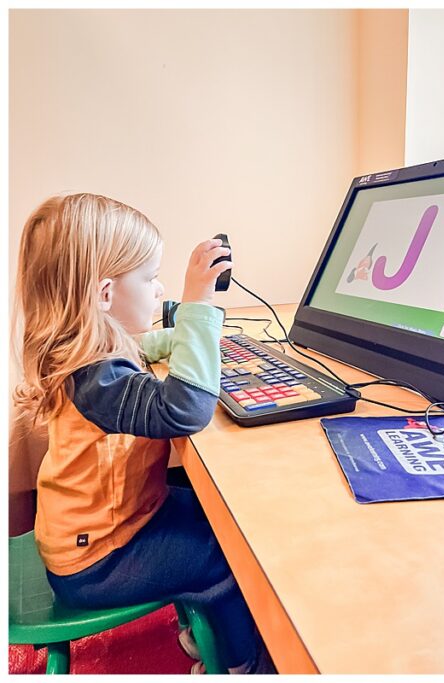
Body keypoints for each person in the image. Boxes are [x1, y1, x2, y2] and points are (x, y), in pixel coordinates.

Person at [13, 193, 271, 674]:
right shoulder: (97, 381)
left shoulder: (90, 350)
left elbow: (140, 345)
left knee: (220, 515)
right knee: (231, 553)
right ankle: (243, 665)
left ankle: (202, 630)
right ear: (105, 295)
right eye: (150, 279)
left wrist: (196, 337)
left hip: (101, 528)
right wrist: (197, 307)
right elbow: (187, 409)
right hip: (98, 562)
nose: (159, 290)